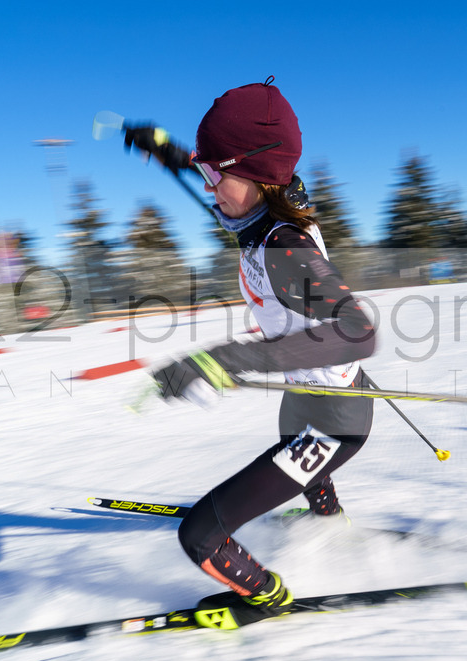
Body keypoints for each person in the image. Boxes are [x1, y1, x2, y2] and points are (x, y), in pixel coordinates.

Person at [126, 79, 376, 629]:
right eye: (205, 170)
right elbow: (227, 168)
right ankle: (328, 521)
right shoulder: (265, 202)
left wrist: (227, 360)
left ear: (260, 175)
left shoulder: (286, 247)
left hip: (335, 419)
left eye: (217, 174)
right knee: (290, 446)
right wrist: (167, 149)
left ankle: (267, 597)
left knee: (199, 536)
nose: (209, 185)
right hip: (305, 396)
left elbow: (359, 332)